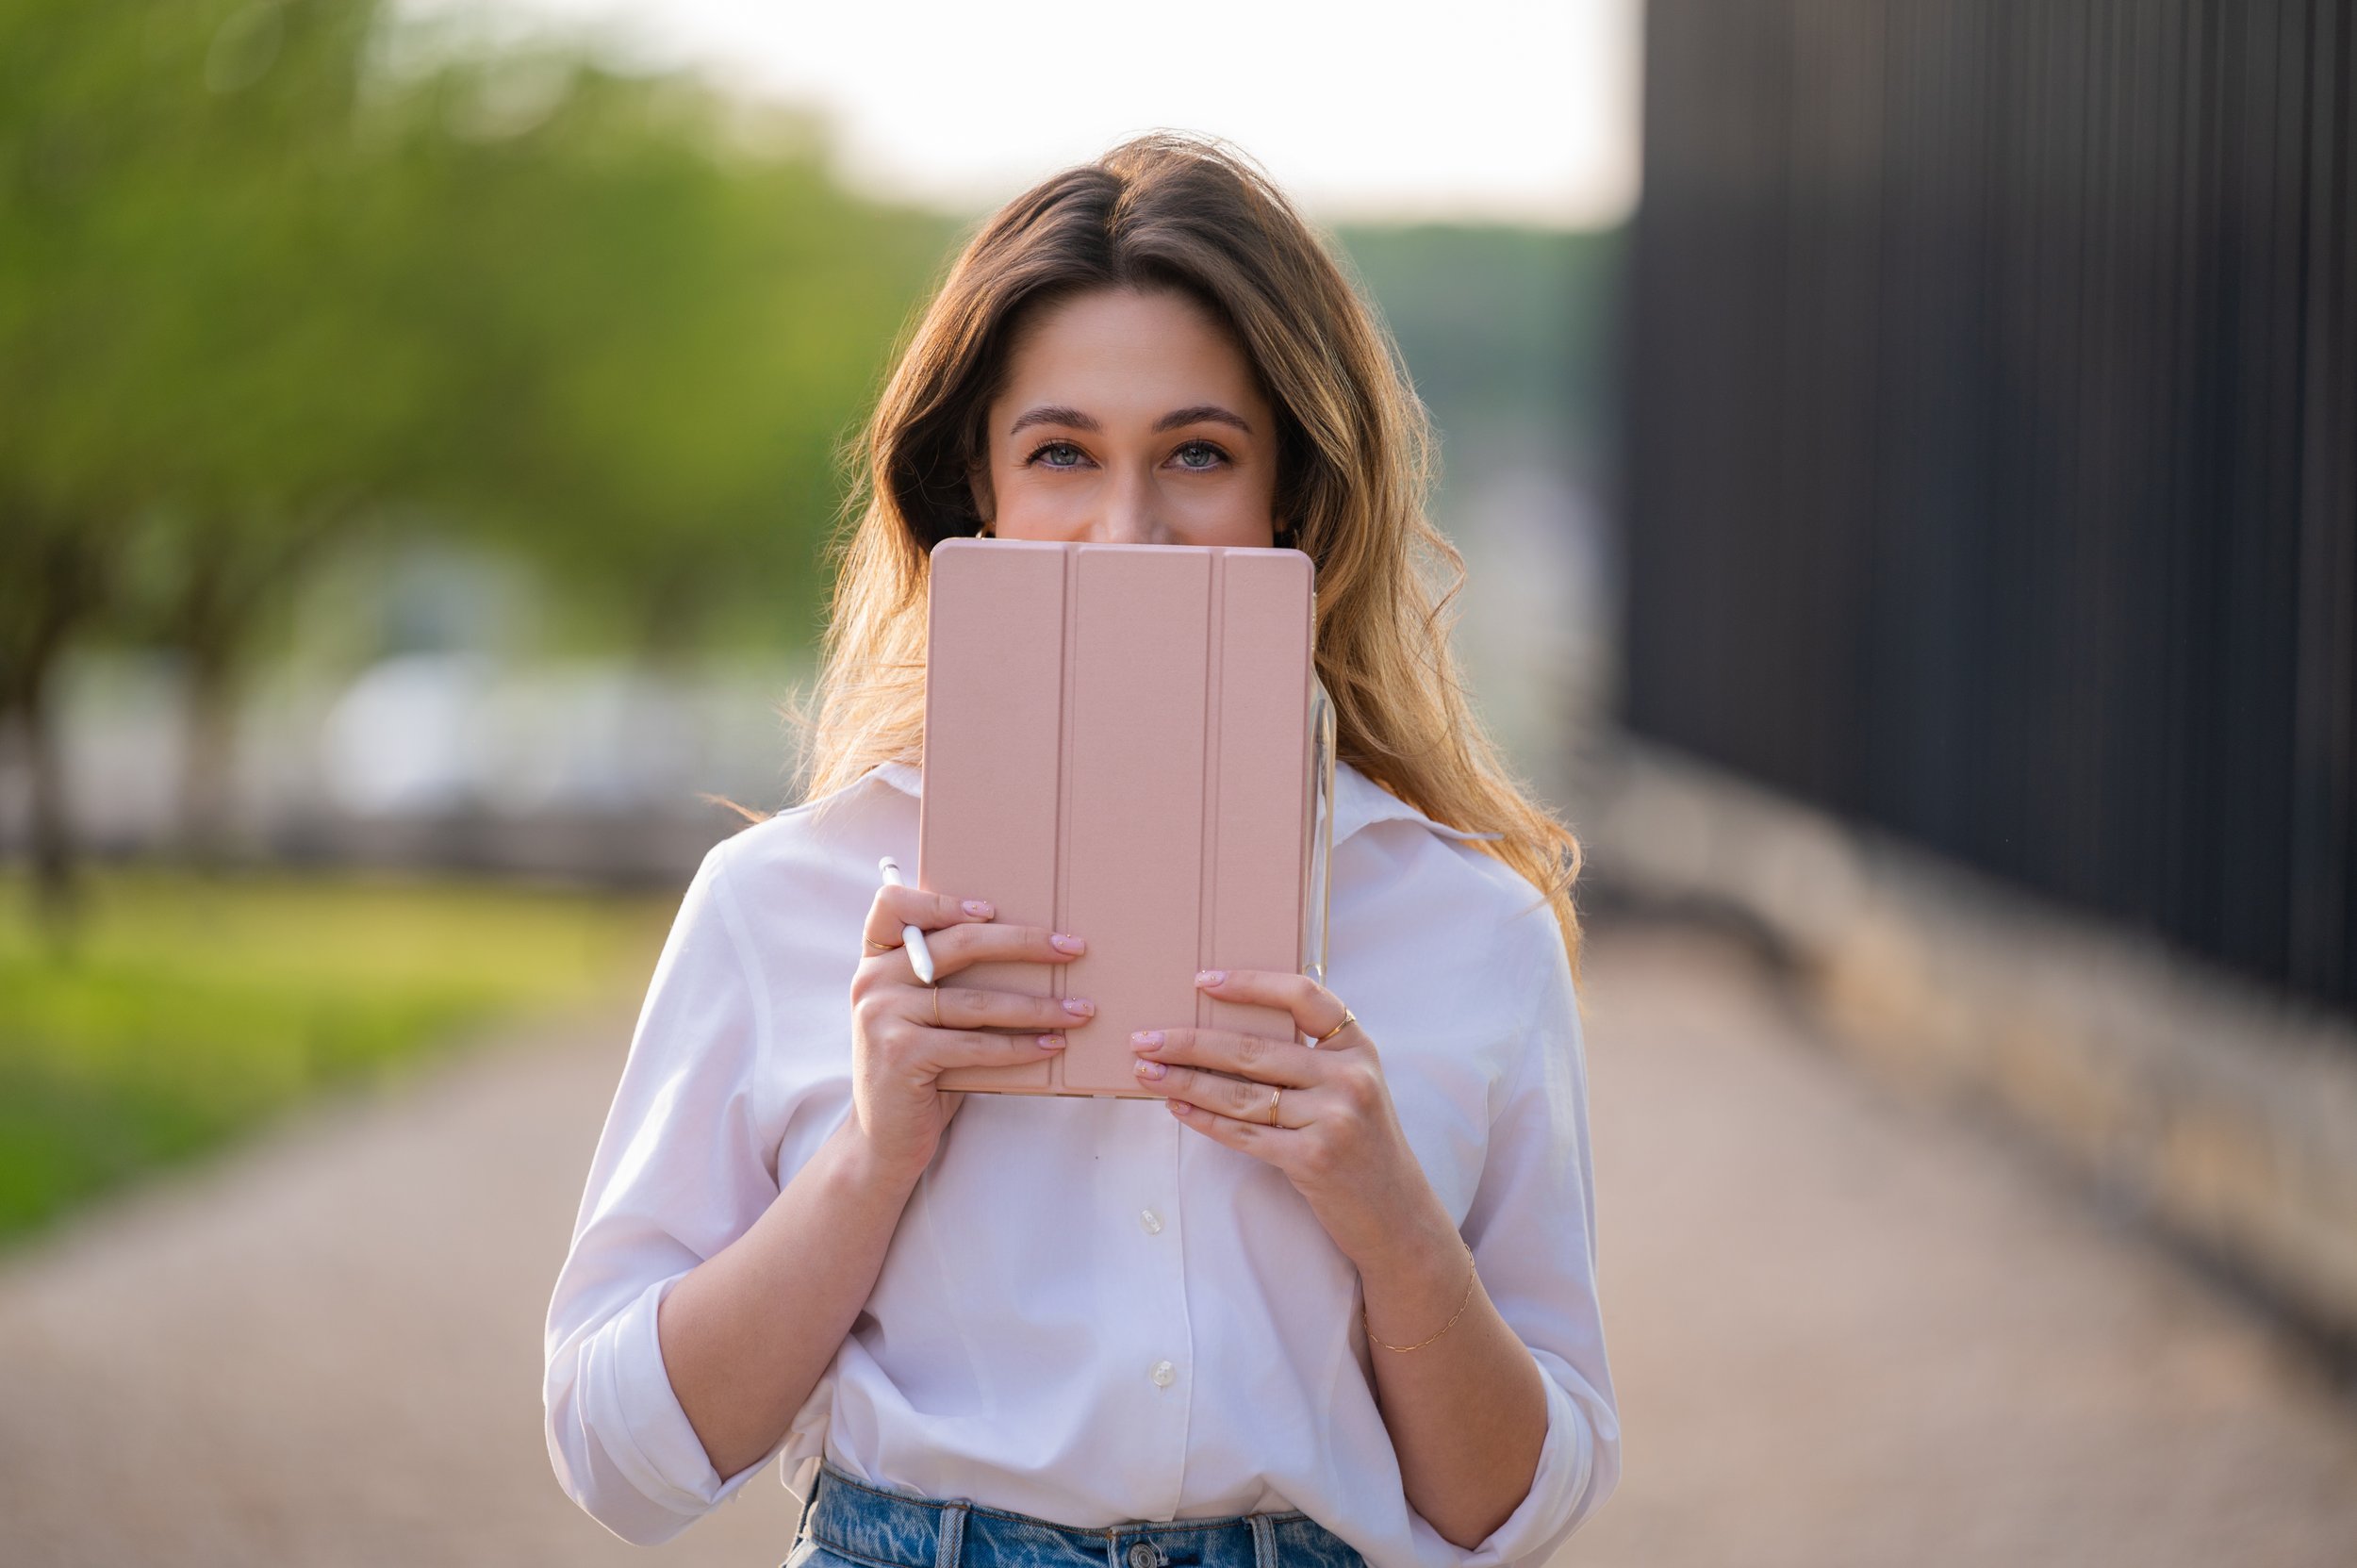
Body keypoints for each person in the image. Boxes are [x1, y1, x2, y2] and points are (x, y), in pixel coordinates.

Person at [543, 131, 1620, 1568]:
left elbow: (1517, 1510)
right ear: (973, 493)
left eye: (1198, 453)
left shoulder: (1468, 927)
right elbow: (617, 1462)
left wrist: (1389, 1217)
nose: (1132, 532)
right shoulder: (781, 903)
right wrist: (875, 1153)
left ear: (1291, 498)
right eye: (1061, 453)